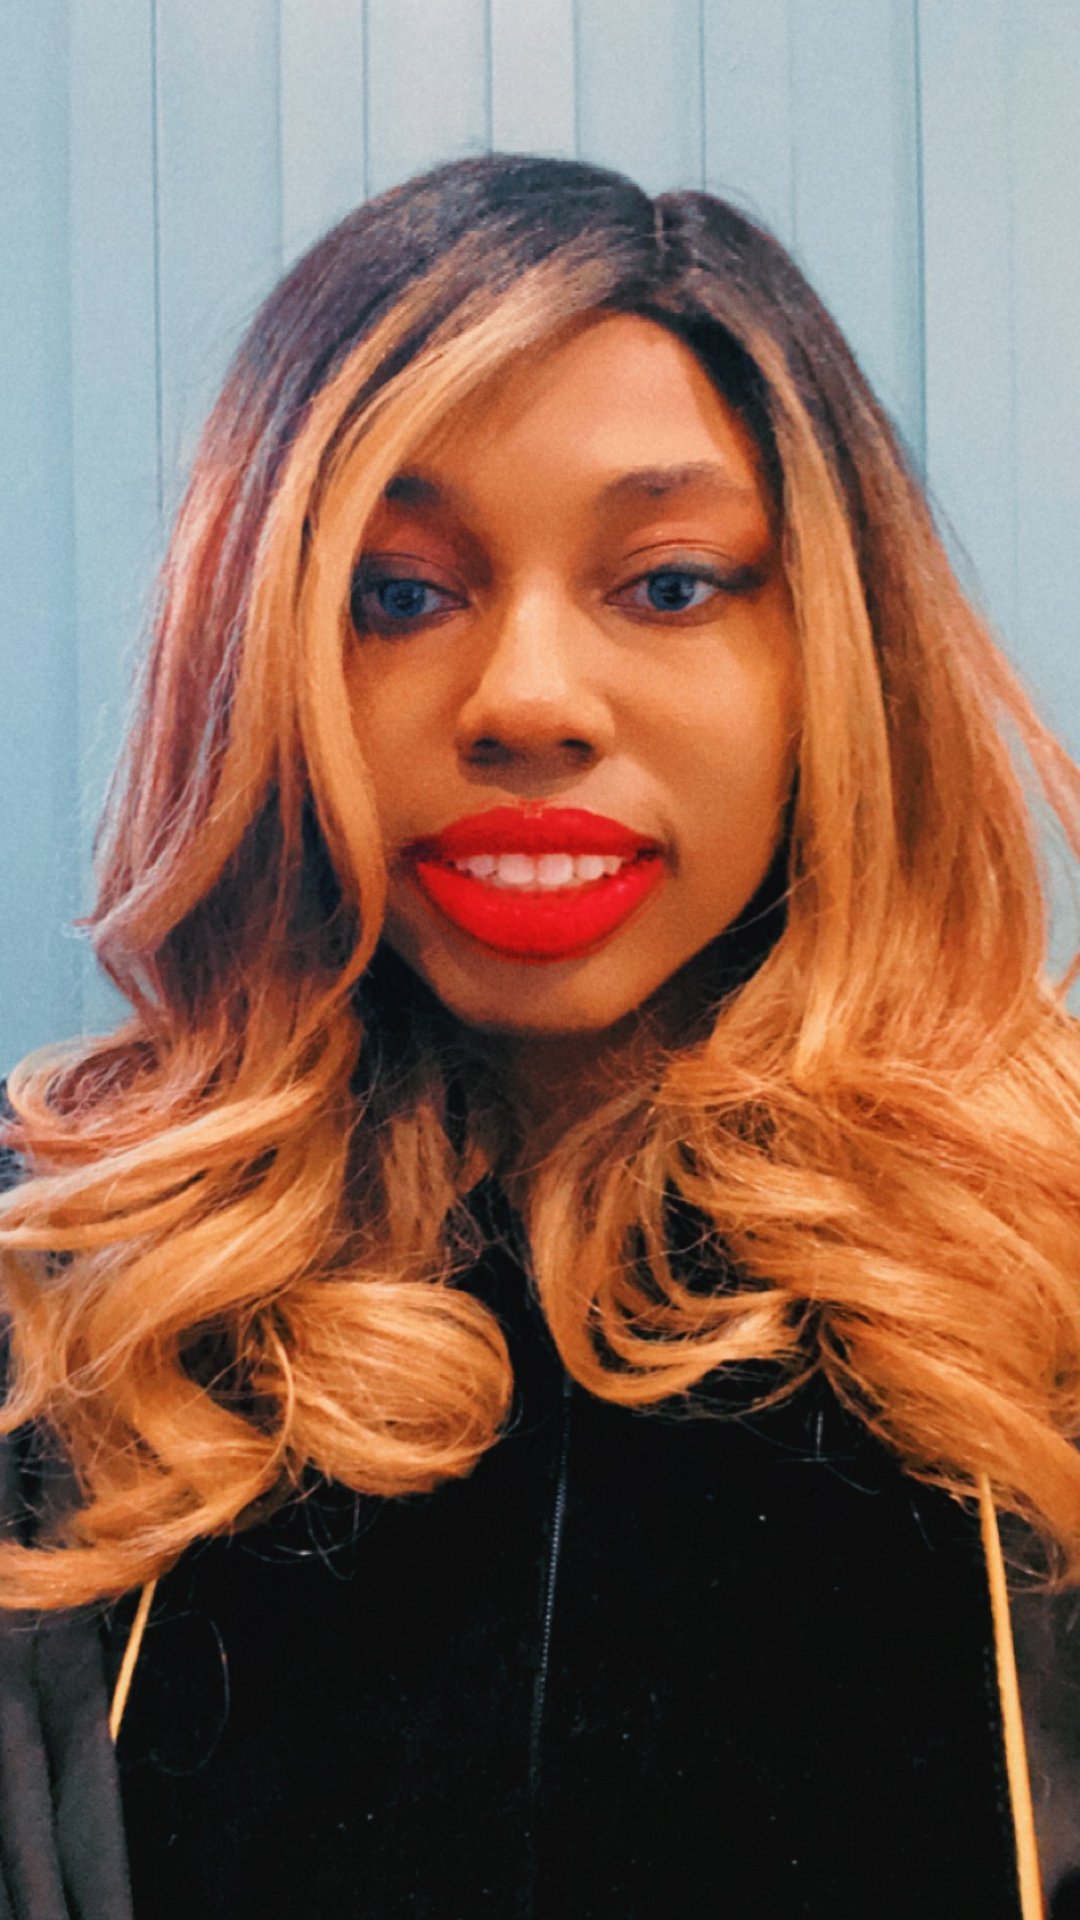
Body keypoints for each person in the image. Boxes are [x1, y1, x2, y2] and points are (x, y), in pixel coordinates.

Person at [0, 153, 1078, 1918]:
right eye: (400, 593)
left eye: (670, 584)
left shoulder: (1044, 1283)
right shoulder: (59, 1309)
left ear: (836, 653)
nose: (524, 701)